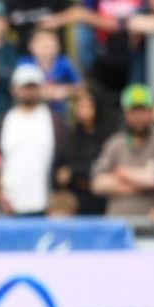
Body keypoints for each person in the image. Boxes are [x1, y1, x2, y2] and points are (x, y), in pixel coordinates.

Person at [92, 83, 154, 216]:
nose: (138, 116)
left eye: (142, 110)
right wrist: (139, 184)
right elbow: (98, 183)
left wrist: (121, 172)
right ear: (125, 112)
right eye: (133, 110)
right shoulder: (114, 143)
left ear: (151, 111)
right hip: (119, 228)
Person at [0, 63, 68, 216]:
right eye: (25, 87)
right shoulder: (4, 121)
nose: (29, 91)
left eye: (33, 86)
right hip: (9, 205)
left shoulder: (55, 121)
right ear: (14, 89)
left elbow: (63, 159)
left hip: (46, 204)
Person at [54, 84, 113, 215]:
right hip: (75, 201)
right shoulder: (69, 137)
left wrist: (74, 171)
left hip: (102, 200)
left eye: (88, 106)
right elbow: (59, 173)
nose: (84, 110)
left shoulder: (109, 137)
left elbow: (104, 167)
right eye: (80, 106)